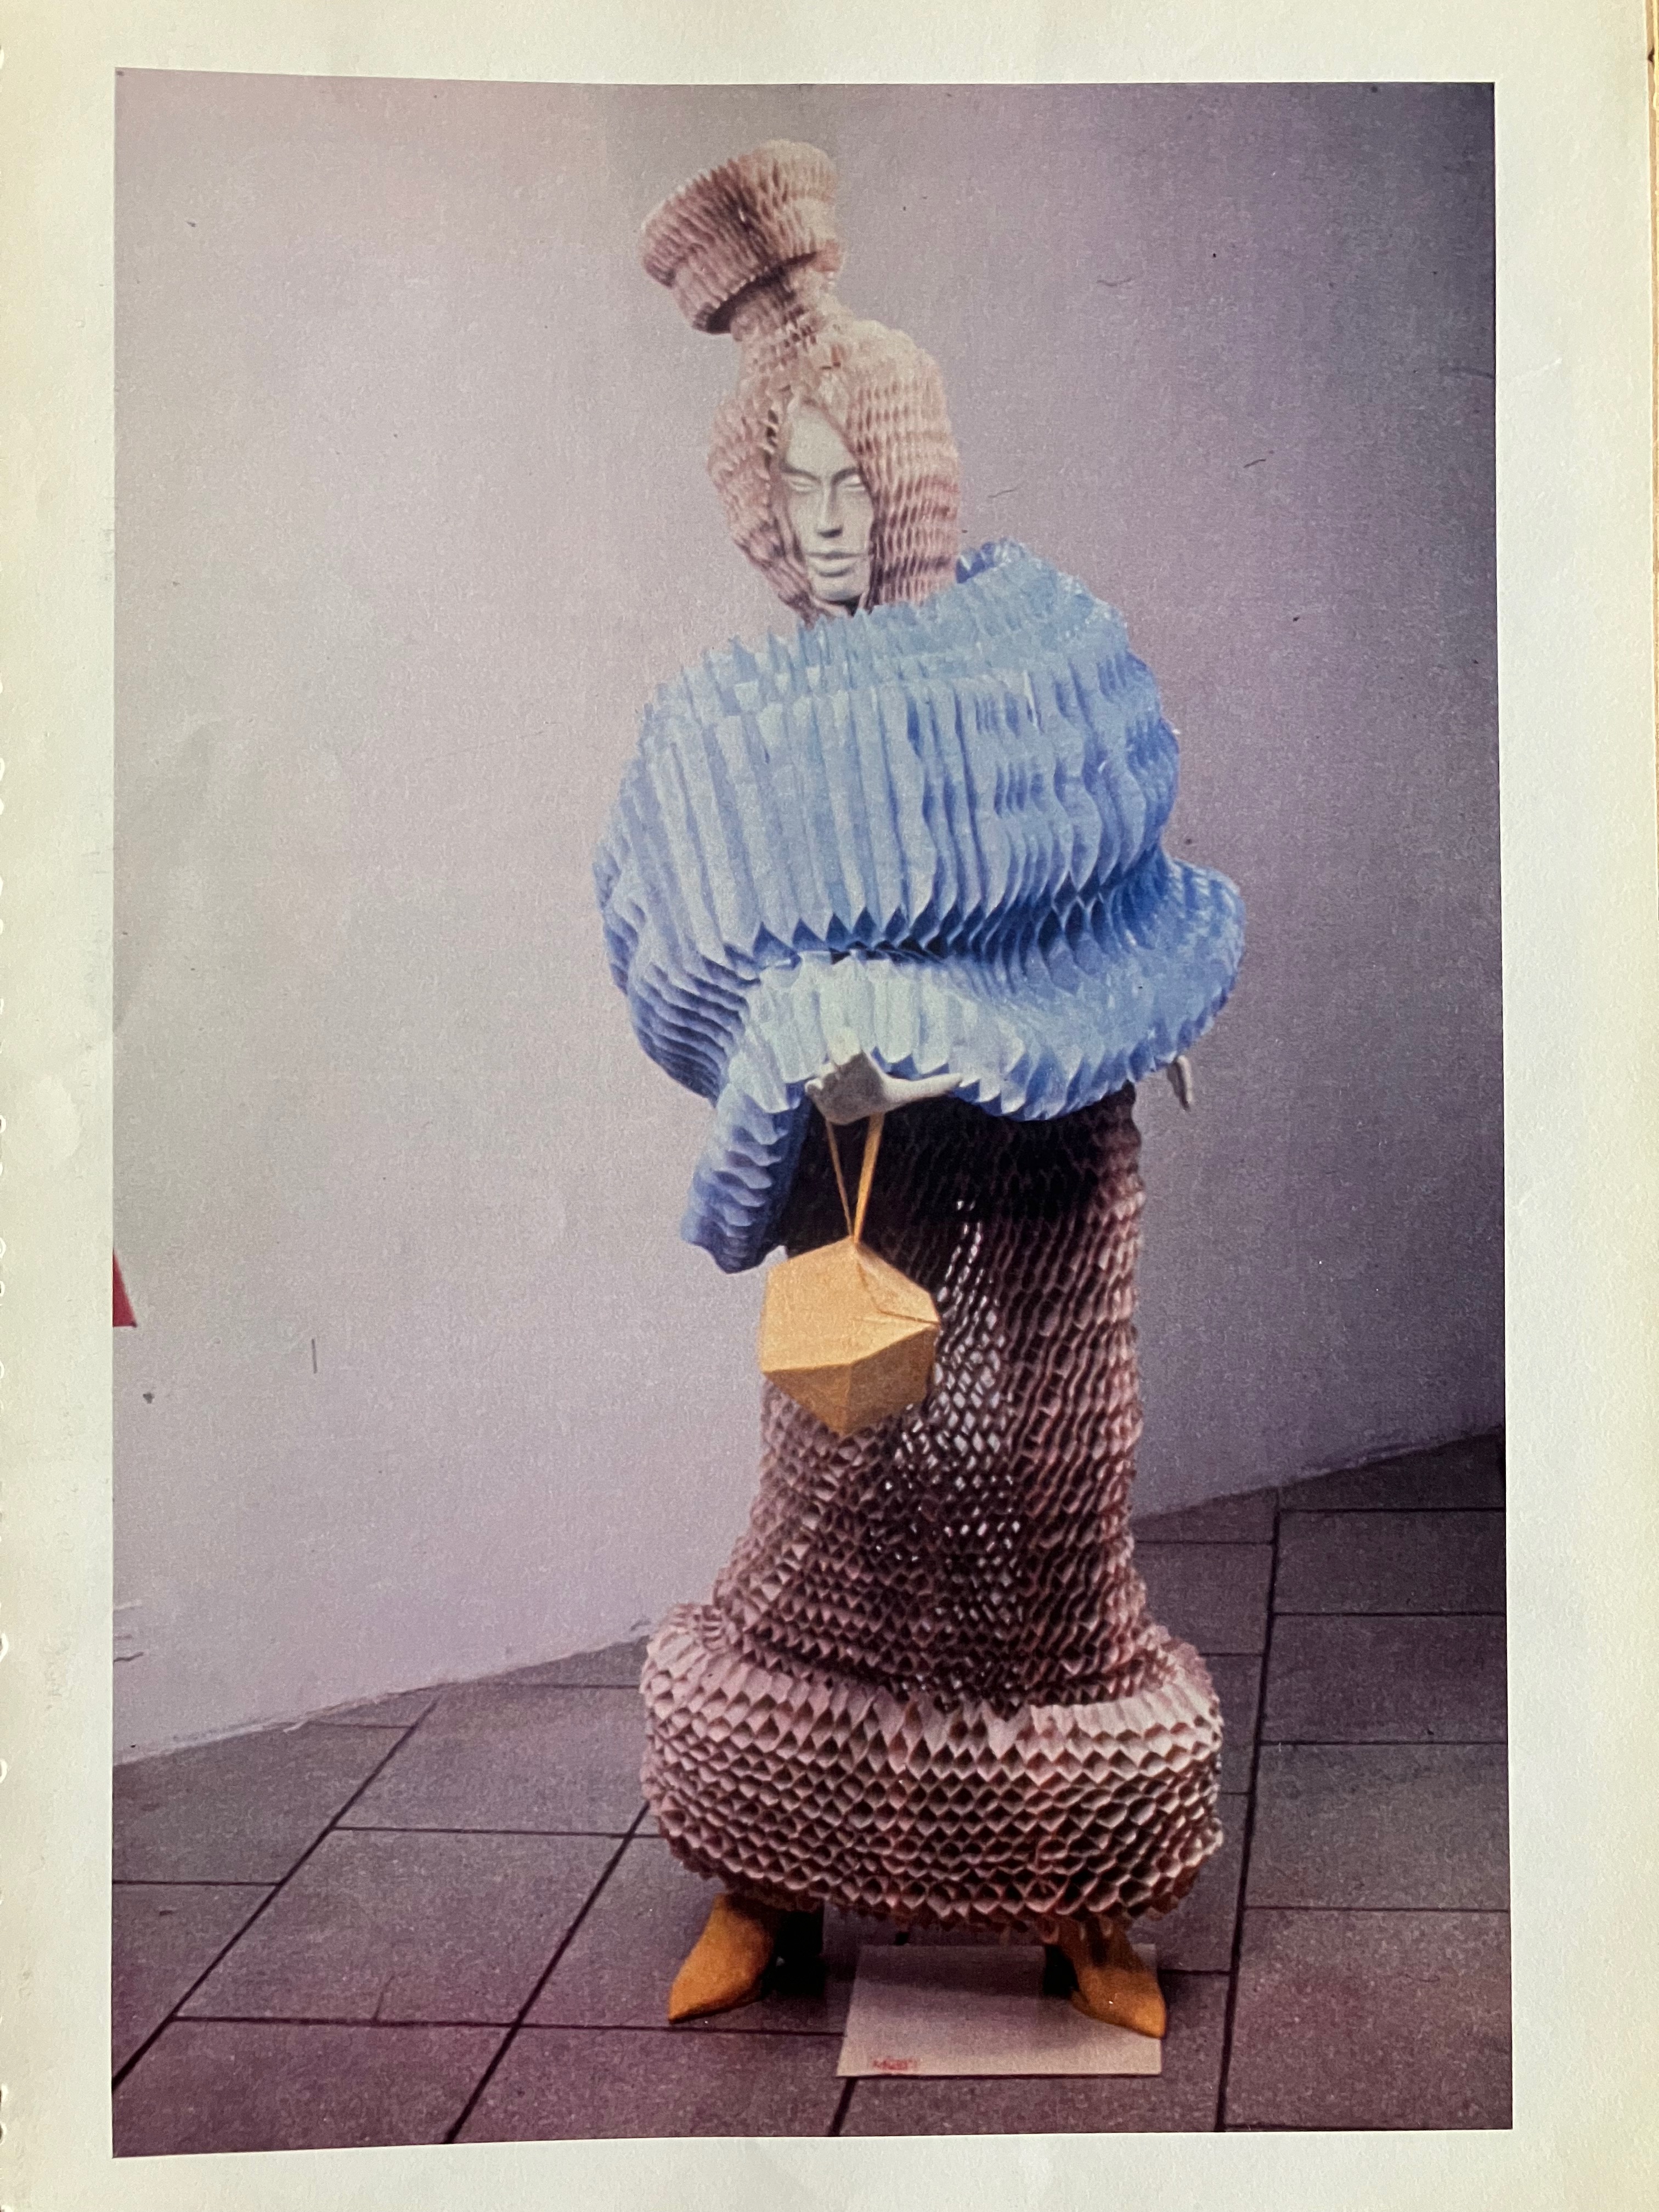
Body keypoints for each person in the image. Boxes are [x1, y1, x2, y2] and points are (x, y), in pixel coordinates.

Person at [596, 141, 1244, 2038]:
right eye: (788, 496)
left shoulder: (1026, 657)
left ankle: (1077, 1887)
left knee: (1052, 1467)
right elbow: (714, 946)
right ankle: (770, 1869)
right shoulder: (751, 728)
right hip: (861, 1136)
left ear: (908, 468)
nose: (824, 527)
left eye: (846, 483)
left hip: (1045, 1122)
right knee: (838, 1470)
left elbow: (1105, 856)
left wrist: (1140, 1003)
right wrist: (807, 1046)